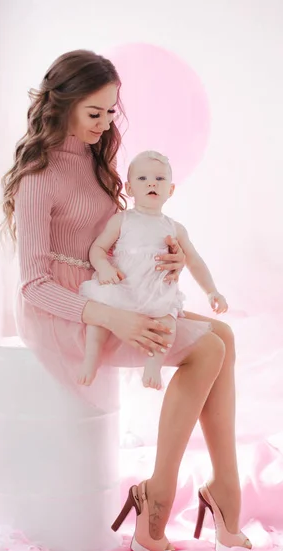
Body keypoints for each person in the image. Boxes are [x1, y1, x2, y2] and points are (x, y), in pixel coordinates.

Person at [0, 49, 252, 551]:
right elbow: (31, 285)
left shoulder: (98, 159)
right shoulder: (37, 177)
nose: (105, 123)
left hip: (111, 290)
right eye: (94, 113)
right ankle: (158, 498)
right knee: (207, 350)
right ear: (62, 104)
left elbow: (116, 239)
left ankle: (223, 489)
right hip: (63, 311)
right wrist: (116, 316)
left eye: (112, 112)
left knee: (223, 335)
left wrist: (169, 260)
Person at [78, 150, 228, 390]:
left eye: (159, 179)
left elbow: (195, 261)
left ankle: (153, 365)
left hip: (155, 293)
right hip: (123, 287)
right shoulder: (122, 220)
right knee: (97, 320)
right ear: (129, 188)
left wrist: (211, 291)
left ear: (170, 190)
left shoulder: (174, 228)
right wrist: (104, 267)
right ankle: (91, 357)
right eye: (142, 178)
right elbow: (97, 248)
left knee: (167, 323)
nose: (151, 183)